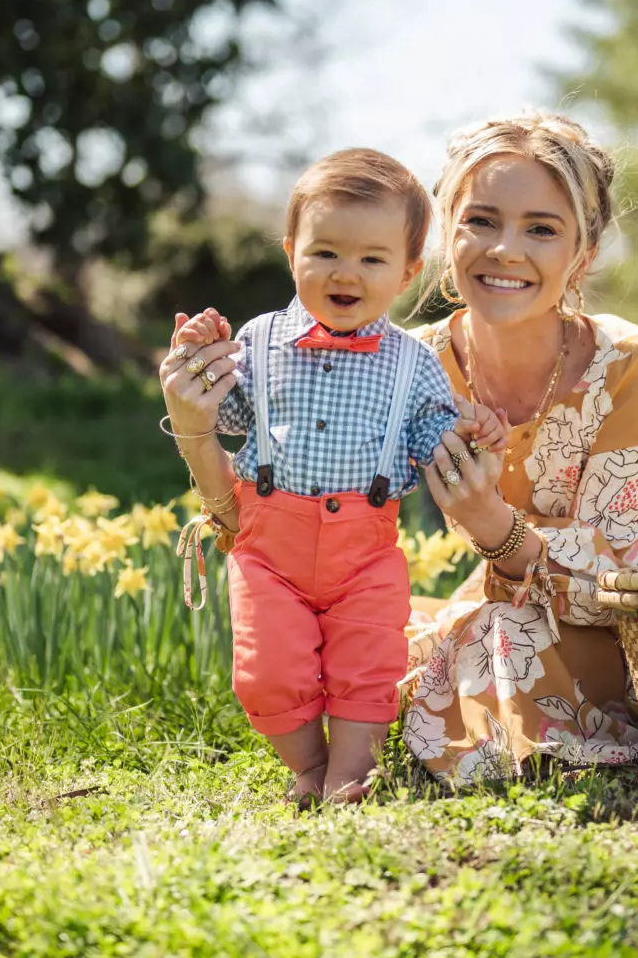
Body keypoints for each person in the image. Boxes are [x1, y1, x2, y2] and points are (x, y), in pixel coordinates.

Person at [158, 148, 503, 805]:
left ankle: (348, 775)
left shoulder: (413, 365)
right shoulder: (259, 341)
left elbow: (432, 440)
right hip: (269, 546)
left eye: (372, 259)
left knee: (366, 669)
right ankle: (308, 765)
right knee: (265, 672)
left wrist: (469, 435)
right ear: (292, 253)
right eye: (326, 254)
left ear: (406, 272)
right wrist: (196, 357)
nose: (346, 273)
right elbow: (223, 412)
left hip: (365, 553)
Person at [403, 112, 638, 785]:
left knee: (491, 644)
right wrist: (199, 427)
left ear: (585, 253)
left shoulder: (636, 366)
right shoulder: (417, 367)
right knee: (367, 636)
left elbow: (612, 575)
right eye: (481, 221)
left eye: (541, 229)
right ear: (447, 233)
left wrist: (493, 526)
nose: (505, 250)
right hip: (510, 599)